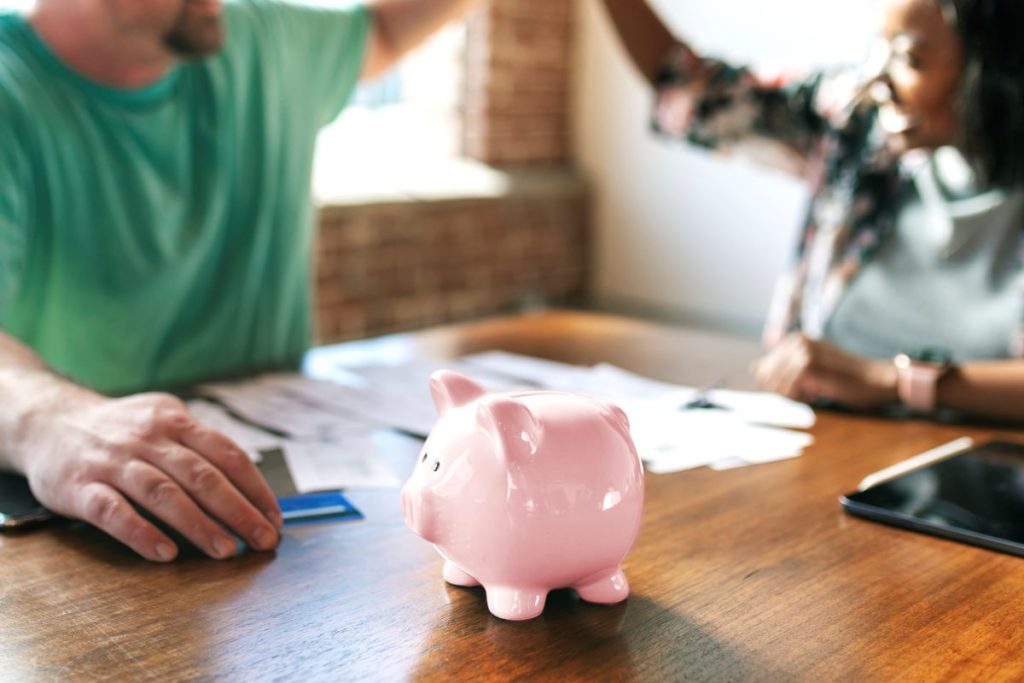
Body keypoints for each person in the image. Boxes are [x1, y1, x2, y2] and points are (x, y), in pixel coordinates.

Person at [0, 0, 479, 562]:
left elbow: (385, 33)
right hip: (96, 531)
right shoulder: (14, 92)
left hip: (298, 516)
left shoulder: (255, 38)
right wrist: (50, 419)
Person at [601, 0, 1024, 423]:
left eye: (909, 58)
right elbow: (688, 85)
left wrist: (890, 380)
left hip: (982, 466)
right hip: (818, 440)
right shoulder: (858, 121)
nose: (876, 77)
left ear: (996, 71)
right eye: (881, 47)